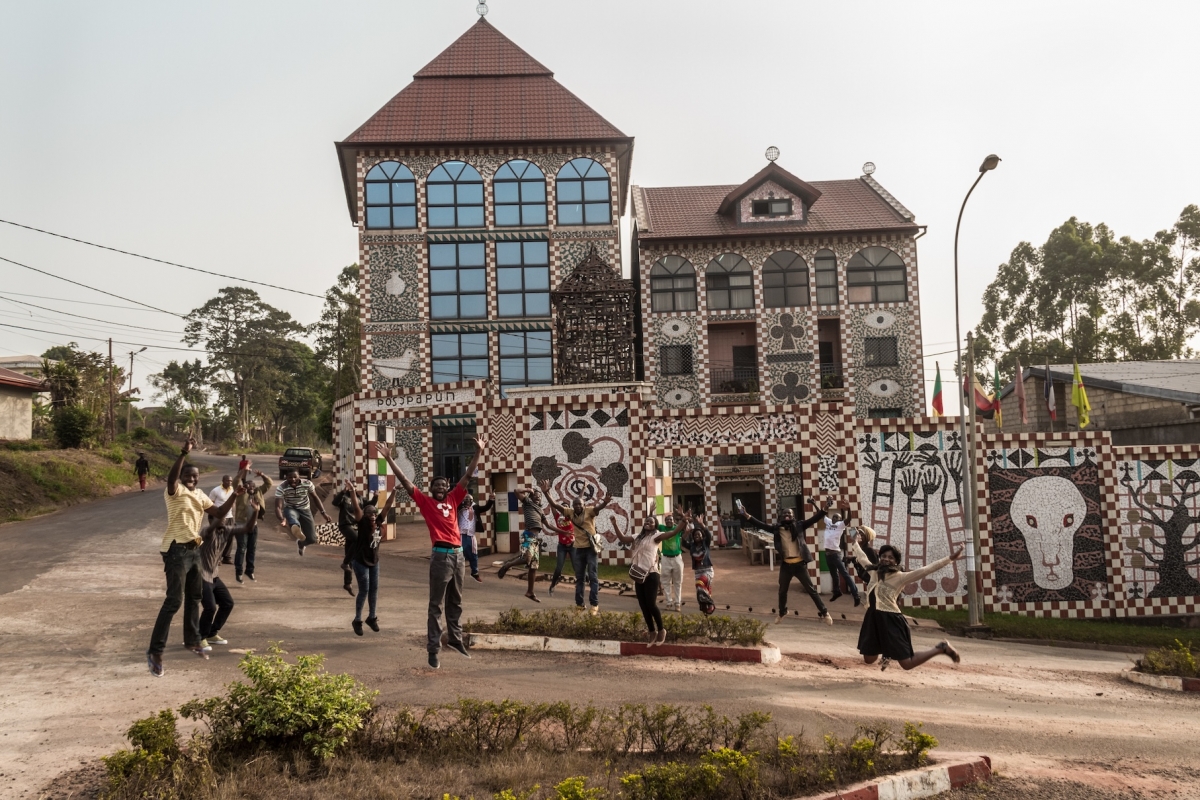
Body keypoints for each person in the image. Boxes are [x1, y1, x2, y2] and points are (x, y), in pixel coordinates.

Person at [146, 436, 240, 678]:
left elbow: (219, 512)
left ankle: (192, 640)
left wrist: (235, 495)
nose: (192, 478)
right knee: (174, 601)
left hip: (194, 550)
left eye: (195, 476)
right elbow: (171, 477)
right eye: (188, 475)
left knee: (195, 597)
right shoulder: (174, 491)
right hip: (175, 549)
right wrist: (183, 453)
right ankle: (155, 651)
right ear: (181, 477)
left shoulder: (200, 495)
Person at [391, 435, 487, 670]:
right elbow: (405, 481)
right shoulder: (425, 502)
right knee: (436, 605)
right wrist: (388, 459)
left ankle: (455, 639)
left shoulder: (455, 499)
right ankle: (433, 650)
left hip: (458, 556)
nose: (441, 488)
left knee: (456, 601)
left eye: (444, 485)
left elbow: (467, 476)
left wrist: (478, 452)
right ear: (431, 489)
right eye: (437, 485)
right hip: (441, 556)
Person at [849, 533, 963, 671]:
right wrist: (855, 542)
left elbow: (926, 569)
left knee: (907, 664)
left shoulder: (901, 577)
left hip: (891, 619)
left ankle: (941, 648)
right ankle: (888, 652)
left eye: (890, 558)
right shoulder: (874, 571)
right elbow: (861, 557)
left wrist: (951, 558)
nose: (886, 559)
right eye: (884, 556)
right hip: (873, 617)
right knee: (869, 659)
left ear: (896, 562)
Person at [740, 498, 833, 625]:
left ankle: (825, 612)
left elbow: (815, 518)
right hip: (786, 566)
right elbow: (760, 524)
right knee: (782, 591)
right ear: (781, 517)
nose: (787, 515)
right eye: (785, 514)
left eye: (789, 513)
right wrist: (746, 515)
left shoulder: (800, 525)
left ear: (793, 516)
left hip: (800, 565)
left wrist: (826, 507)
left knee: (811, 590)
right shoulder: (777, 529)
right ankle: (782, 612)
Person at [538, 479, 612, 615]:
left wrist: (605, 502)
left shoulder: (589, 511)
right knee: (579, 578)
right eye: (575, 504)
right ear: (573, 506)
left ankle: (594, 604)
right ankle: (579, 604)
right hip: (578, 549)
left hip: (590, 549)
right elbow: (554, 504)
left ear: (583, 505)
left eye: (580, 504)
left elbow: (598, 508)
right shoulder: (569, 513)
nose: (578, 506)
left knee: (593, 576)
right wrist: (546, 492)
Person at [612, 514, 687, 645]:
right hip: (639, 575)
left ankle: (661, 630)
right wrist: (614, 524)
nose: (648, 523)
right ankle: (652, 632)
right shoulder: (638, 537)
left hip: (651, 574)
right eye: (647, 521)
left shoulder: (656, 536)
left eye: (651, 522)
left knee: (651, 604)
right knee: (643, 605)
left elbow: (673, 532)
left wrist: (683, 521)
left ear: (655, 526)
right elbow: (623, 538)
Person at [342, 479, 398, 636]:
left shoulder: (379, 521)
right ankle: (357, 620)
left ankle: (372, 617)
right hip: (360, 561)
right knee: (364, 590)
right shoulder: (362, 523)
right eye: (368, 513)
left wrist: (394, 491)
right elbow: (356, 507)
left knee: (374, 590)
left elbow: (387, 506)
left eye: (374, 513)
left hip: (374, 561)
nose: (372, 515)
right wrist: (352, 491)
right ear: (364, 516)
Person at [498, 486, 573, 603]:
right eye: (536, 496)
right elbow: (516, 491)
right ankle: (507, 565)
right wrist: (529, 490)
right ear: (531, 497)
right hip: (528, 535)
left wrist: (564, 532)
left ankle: (530, 592)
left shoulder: (540, 510)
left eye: (540, 497)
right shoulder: (527, 502)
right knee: (526, 558)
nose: (538, 498)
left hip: (536, 539)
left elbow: (548, 526)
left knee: (533, 566)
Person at [196, 498, 254, 647]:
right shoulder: (206, 532)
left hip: (214, 575)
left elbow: (248, 528)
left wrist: (256, 511)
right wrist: (223, 508)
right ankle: (199, 637)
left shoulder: (226, 531)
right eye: (218, 517)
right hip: (201, 576)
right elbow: (215, 523)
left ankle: (211, 633)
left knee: (227, 603)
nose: (223, 520)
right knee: (210, 607)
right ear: (211, 520)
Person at [274, 469, 333, 556]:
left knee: (312, 539)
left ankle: (301, 543)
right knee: (291, 516)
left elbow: (315, 498)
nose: (293, 479)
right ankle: (296, 527)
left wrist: (323, 513)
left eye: (295, 477)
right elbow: (278, 507)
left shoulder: (307, 484)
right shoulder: (282, 487)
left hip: (305, 509)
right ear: (286, 478)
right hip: (291, 508)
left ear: (299, 477)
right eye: (290, 477)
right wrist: (282, 519)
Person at [231, 468, 271, 583]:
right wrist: (243, 470)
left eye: (253, 485)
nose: (251, 487)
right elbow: (235, 481)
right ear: (245, 486)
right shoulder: (241, 493)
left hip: (254, 526)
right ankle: (239, 572)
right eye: (248, 485)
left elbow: (269, 483)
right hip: (241, 525)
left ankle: (249, 571)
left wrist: (262, 474)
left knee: (252, 549)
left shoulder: (259, 492)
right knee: (242, 549)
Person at [823, 501, 860, 606]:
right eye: (833, 517)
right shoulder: (829, 522)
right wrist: (813, 504)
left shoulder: (840, 525)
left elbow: (848, 519)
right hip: (828, 554)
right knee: (834, 575)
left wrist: (849, 509)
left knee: (844, 574)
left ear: (840, 520)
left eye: (837, 517)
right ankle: (837, 592)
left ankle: (856, 594)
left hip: (835, 554)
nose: (834, 518)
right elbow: (821, 513)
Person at [331, 481, 364, 596]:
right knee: (357, 540)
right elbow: (334, 503)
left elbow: (369, 504)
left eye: (354, 486)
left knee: (350, 554)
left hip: (355, 526)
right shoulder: (344, 497)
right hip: (345, 525)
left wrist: (376, 496)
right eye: (350, 486)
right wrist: (343, 491)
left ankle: (347, 583)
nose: (352, 488)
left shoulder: (360, 498)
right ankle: (345, 564)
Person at [684, 511, 717, 615]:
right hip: (698, 572)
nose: (697, 535)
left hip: (707, 570)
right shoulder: (692, 546)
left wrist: (702, 524)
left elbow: (708, 534)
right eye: (695, 534)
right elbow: (683, 542)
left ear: (702, 536)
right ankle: (706, 607)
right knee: (701, 591)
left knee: (700, 585)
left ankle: (711, 604)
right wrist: (687, 532)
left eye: (699, 534)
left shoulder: (706, 544)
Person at [458, 491, 494, 583]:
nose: (467, 503)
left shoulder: (475, 508)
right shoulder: (459, 508)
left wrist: (491, 499)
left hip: (471, 534)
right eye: (465, 501)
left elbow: (486, 507)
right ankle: (457, 572)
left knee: (473, 553)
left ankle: (475, 572)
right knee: (461, 552)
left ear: (472, 501)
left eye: (469, 501)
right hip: (461, 534)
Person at [547, 507, 574, 596]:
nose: (564, 509)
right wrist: (548, 493)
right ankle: (552, 585)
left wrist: (582, 492)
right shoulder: (558, 517)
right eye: (563, 506)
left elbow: (579, 500)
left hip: (573, 546)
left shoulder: (572, 516)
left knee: (577, 566)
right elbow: (553, 506)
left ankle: (593, 584)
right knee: (559, 568)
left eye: (566, 506)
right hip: (562, 546)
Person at [210, 475, 236, 565]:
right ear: (223, 481)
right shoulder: (216, 490)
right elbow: (210, 504)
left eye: (231, 481)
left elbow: (234, 503)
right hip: (219, 517)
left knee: (229, 538)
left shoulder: (233, 490)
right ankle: (217, 558)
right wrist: (213, 518)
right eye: (227, 481)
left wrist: (233, 515)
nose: (229, 482)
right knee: (218, 538)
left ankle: (226, 557)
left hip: (230, 517)